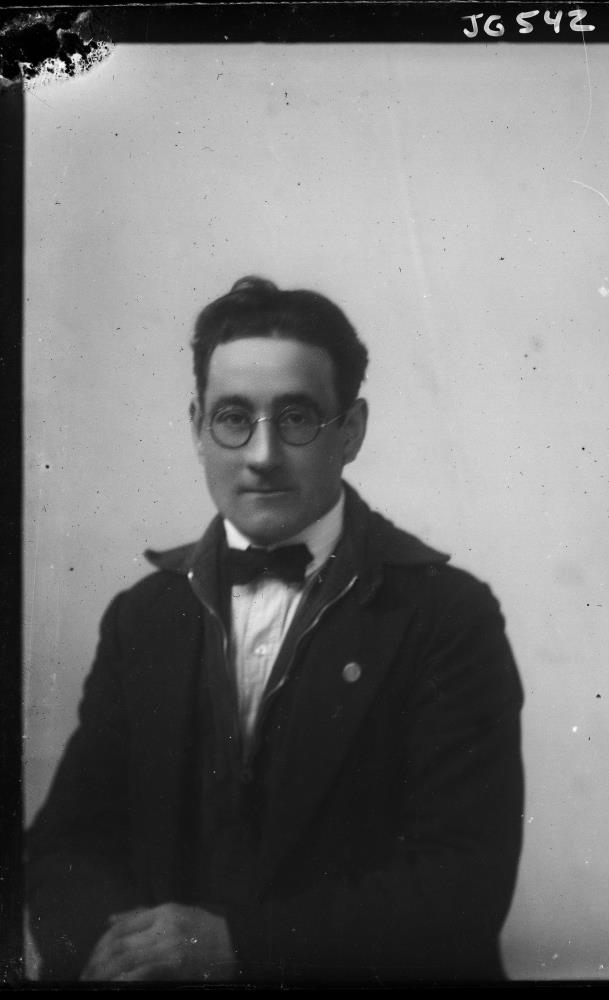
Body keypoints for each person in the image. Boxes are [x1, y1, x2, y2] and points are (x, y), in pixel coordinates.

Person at [26, 276, 524, 983]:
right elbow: (66, 848)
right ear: (197, 427)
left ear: (350, 431)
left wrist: (241, 947)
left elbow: (463, 887)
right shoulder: (141, 617)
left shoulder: (448, 616)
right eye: (233, 417)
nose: (261, 455)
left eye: (296, 417)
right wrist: (112, 958)